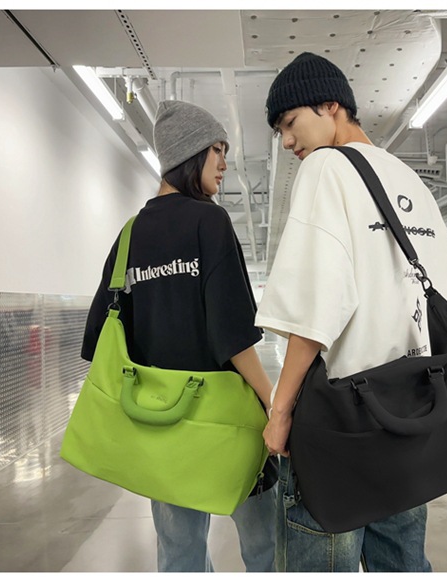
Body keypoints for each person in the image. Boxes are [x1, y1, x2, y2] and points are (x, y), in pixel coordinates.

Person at [255, 52, 447, 572]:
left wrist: (280, 411)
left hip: (342, 419)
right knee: (402, 561)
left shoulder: (326, 168)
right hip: (409, 412)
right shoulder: (409, 178)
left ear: (331, 106)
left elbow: (315, 308)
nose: (286, 141)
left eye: (289, 122)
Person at [81, 100, 277, 572]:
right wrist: (274, 402)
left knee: (179, 553)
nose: (224, 163)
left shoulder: (130, 235)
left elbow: (100, 339)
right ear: (191, 153)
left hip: (161, 424)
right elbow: (233, 336)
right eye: (217, 150)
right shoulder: (210, 221)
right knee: (266, 547)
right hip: (226, 422)